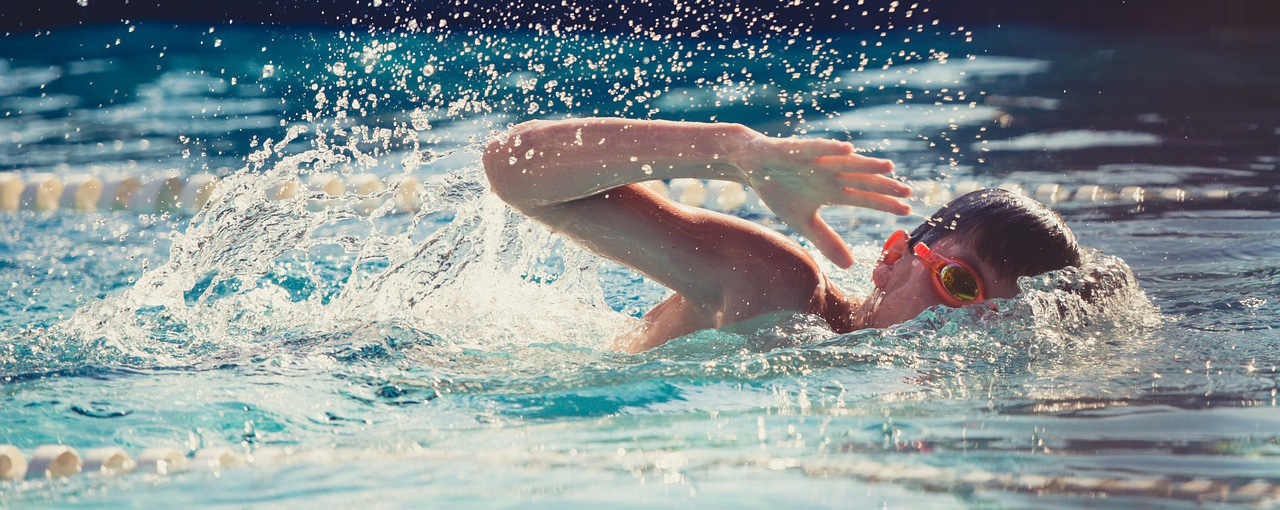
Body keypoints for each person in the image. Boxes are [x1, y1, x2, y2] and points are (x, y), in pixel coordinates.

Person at [483, 118, 1081, 352]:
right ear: (892, 258)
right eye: (958, 283)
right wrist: (732, 152)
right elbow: (512, 169)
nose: (961, 329)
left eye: (997, 320)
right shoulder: (778, 287)